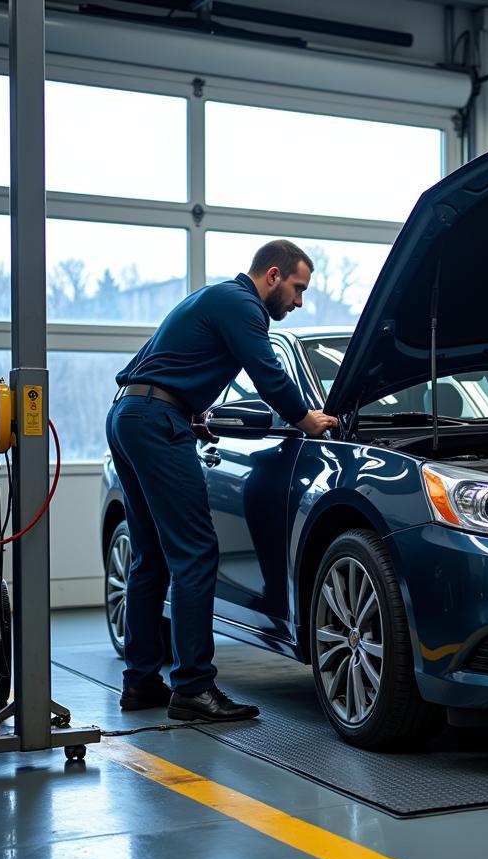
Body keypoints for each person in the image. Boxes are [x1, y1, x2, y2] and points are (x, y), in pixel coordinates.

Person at [106, 239, 338, 721]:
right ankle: (193, 687)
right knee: (195, 552)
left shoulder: (212, 298)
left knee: (152, 559)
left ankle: (141, 682)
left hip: (133, 413)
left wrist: (188, 412)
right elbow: (269, 375)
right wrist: (306, 419)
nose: (299, 302)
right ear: (272, 275)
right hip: (154, 421)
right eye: (297, 288)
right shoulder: (243, 306)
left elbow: (161, 361)